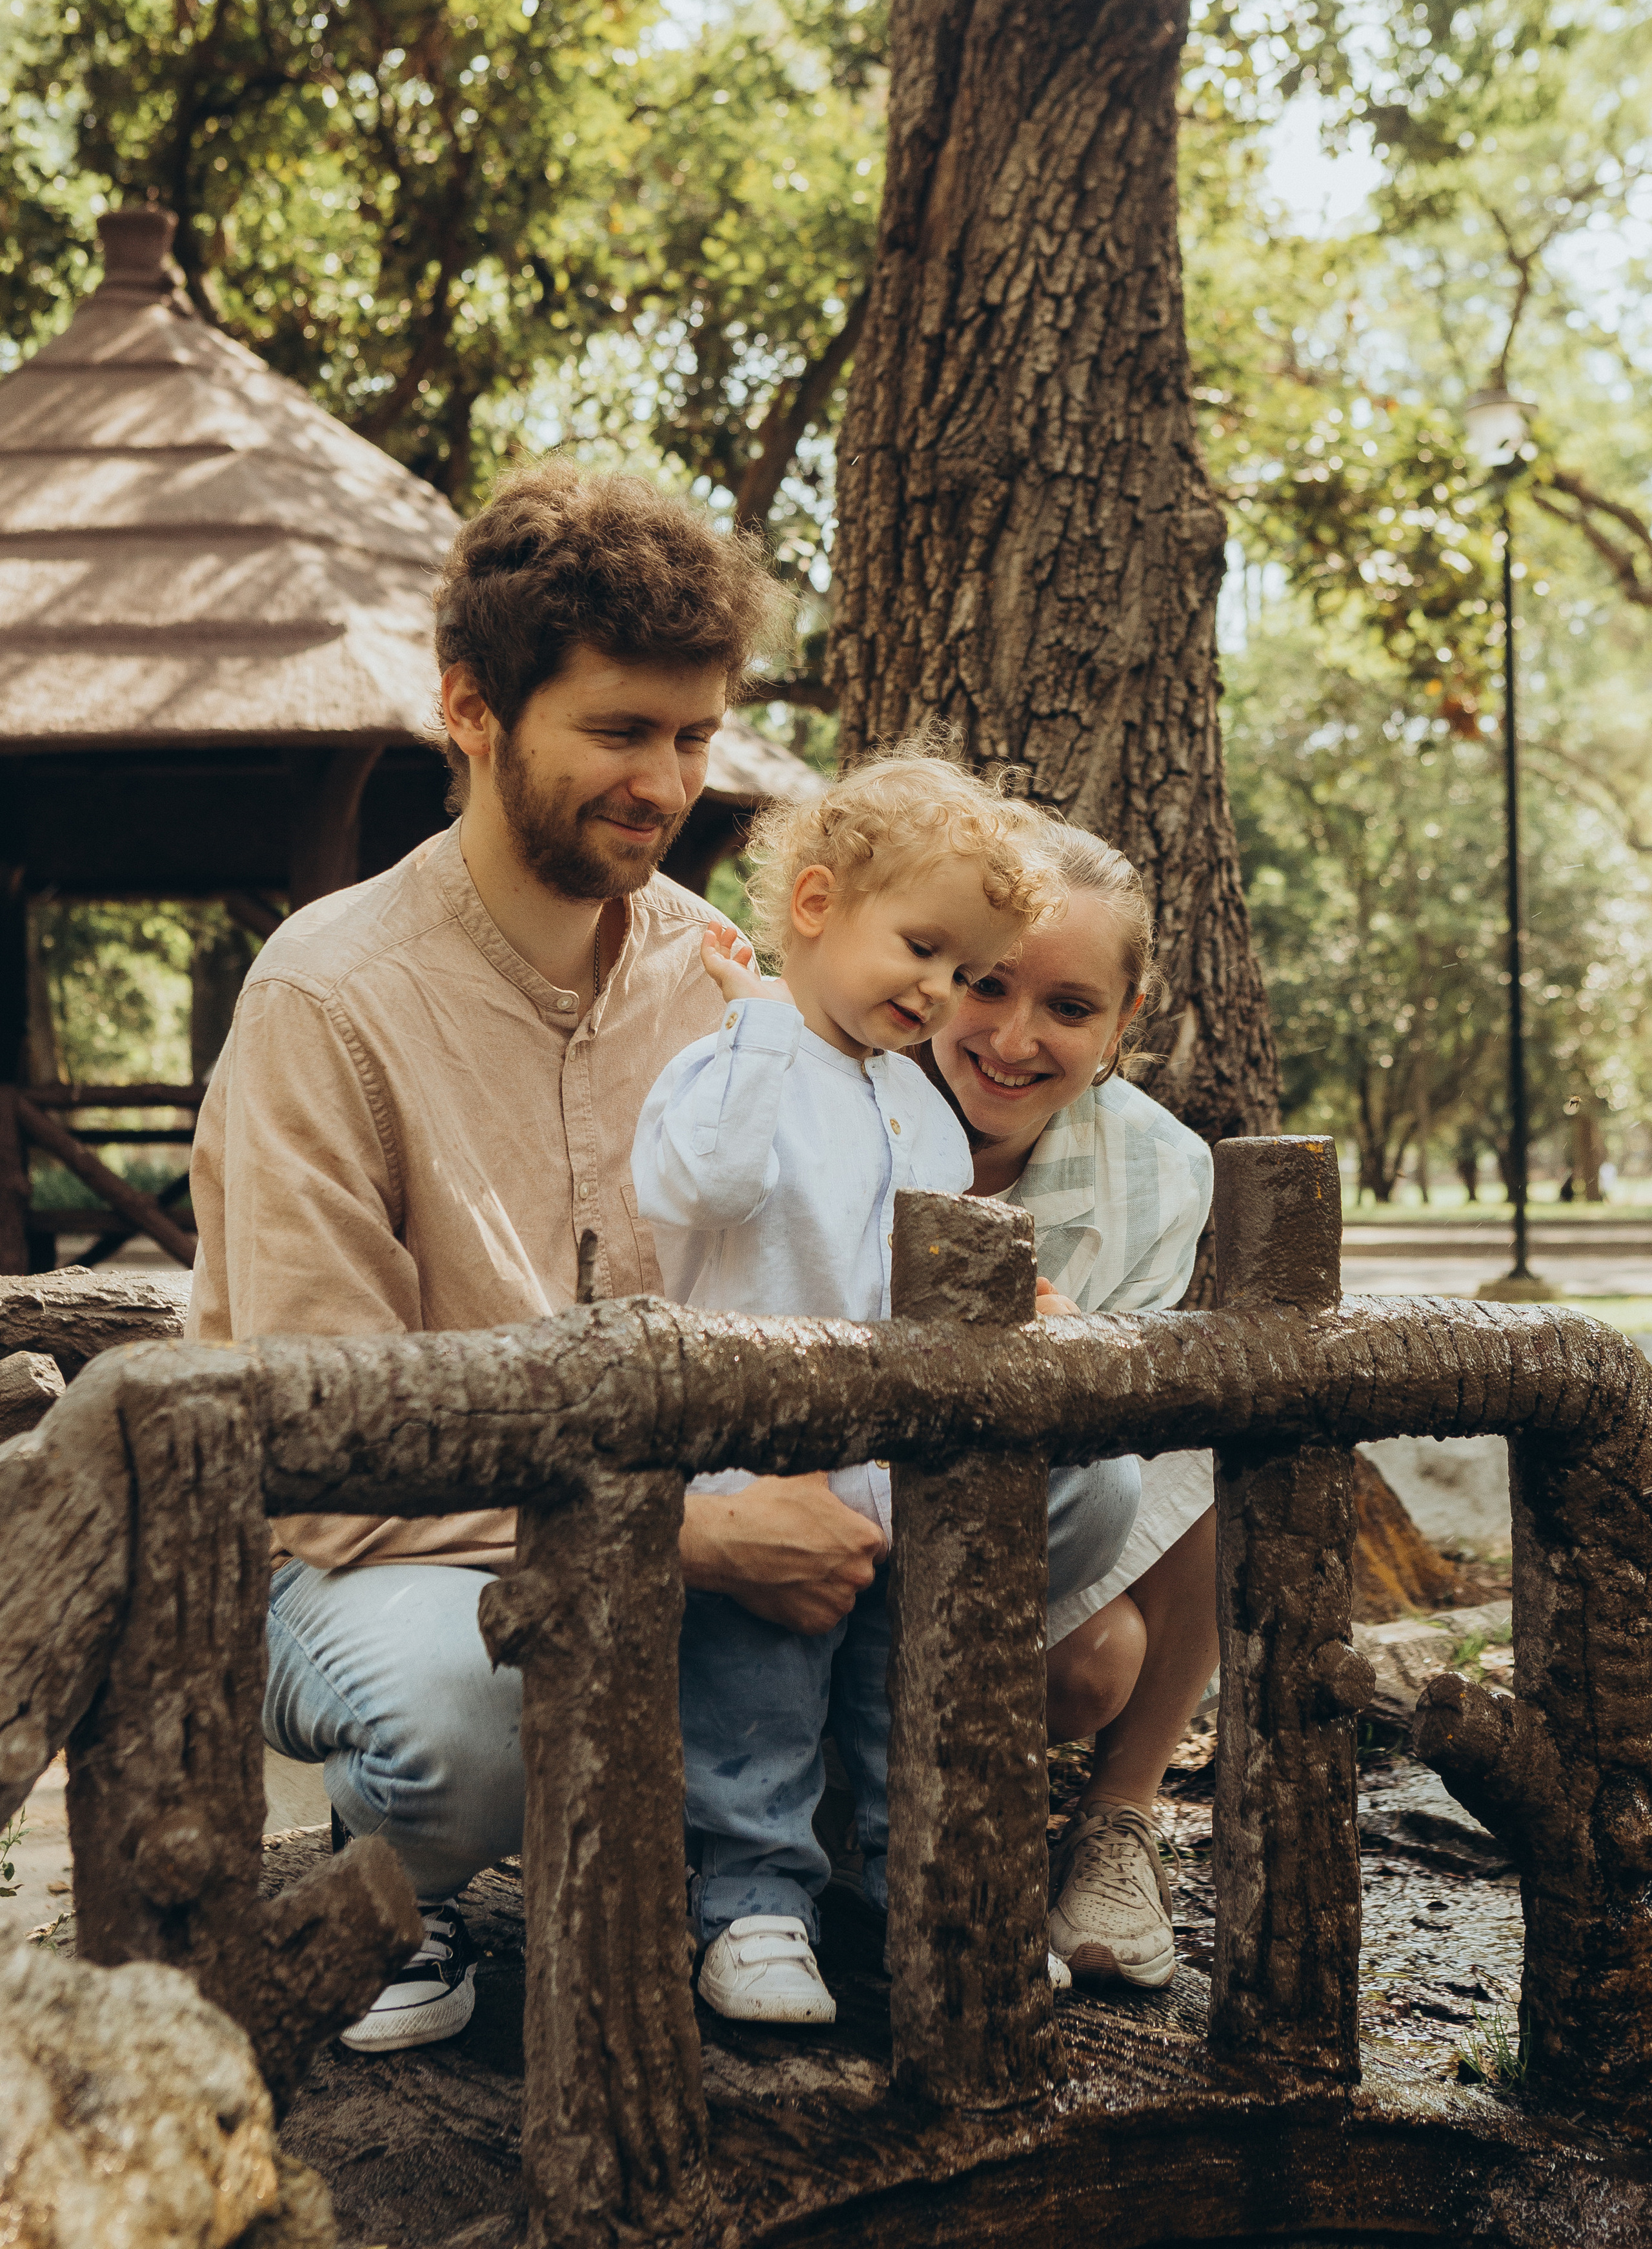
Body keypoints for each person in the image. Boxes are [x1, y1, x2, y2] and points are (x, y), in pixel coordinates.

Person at [187, 459, 900, 2054]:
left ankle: (793, 1875)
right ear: (470, 709)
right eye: (619, 730)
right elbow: (330, 1451)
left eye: (693, 737)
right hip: (375, 1559)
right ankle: (398, 1878)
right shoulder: (325, 998)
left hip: (683, 1514)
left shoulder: (725, 978)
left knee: (1070, 1505)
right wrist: (693, 1539)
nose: (664, 782)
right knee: (474, 1719)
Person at [634, 752, 1141, 2023]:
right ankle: (750, 1909)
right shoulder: (728, 1060)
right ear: (814, 906)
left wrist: (1009, 1304)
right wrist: (755, 1024)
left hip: (889, 1468)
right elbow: (700, 1190)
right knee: (754, 1707)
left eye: (963, 970)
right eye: (922, 950)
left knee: (907, 1700)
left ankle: (925, 1898)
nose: (940, 993)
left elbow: (926, 1255)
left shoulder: (909, 1100)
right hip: (758, 1462)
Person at [920, 822, 1217, 1992]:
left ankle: (1118, 1820)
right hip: (837, 1525)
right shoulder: (839, 1102)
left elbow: (1116, 1455)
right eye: (986, 985)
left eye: (1069, 1007)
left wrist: (1070, 1359)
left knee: (1104, 1652)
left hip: (1034, 1521)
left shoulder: (1160, 1169)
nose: (1013, 1039)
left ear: (1124, 1020)